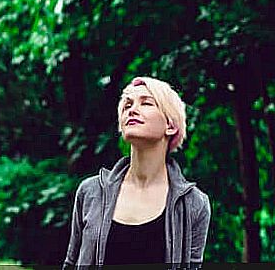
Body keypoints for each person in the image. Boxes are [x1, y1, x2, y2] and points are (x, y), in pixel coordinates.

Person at [62, 76, 211, 269]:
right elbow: (71, 263)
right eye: (127, 105)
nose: (132, 109)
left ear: (171, 126)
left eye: (146, 103)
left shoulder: (194, 204)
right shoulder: (91, 192)